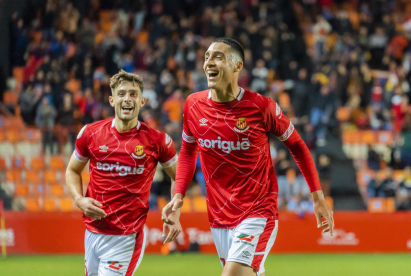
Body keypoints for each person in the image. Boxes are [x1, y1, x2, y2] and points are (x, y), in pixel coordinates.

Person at [162, 38, 334, 276]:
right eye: (206, 57)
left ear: (237, 66)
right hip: (219, 215)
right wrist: (178, 195)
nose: (208, 62)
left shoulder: (261, 107)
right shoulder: (193, 105)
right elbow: (189, 152)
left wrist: (317, 197)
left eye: (218, 57)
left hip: (257, 211)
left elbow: (298, 146)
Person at [65, 70, 181, 276]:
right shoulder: (90, 134)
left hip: (126, 236)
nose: (127, 99)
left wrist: (174, 213)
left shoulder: (157, 140)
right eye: (122, 94)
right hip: (92, 232)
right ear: (112, 100)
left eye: (133, 94)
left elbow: (179, 176)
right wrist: (78, 199)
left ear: (142, 101)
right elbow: (73, 170)